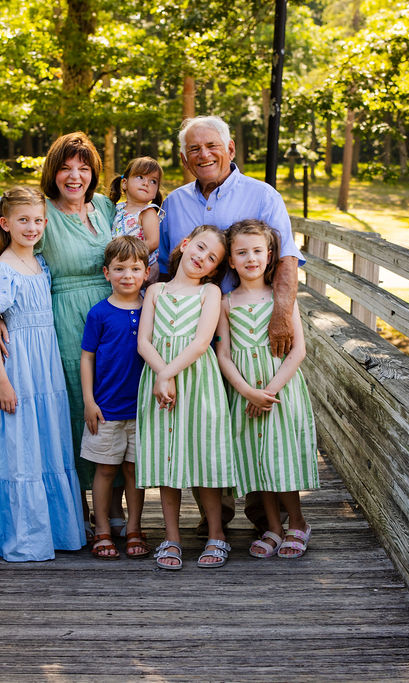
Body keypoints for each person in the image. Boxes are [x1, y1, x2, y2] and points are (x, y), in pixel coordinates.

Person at [159, 114, 306, 532]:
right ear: (184, 157)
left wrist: (281, 316)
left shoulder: (262, 195)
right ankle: (214, 519)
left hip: (251, 326)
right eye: (193, 149)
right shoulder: (175, 203)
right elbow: (165, 265)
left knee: (256, 417)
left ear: (231, 149)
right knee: (205, 420)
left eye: (211, 146)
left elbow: (287, 258)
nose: (203, 154)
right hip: (189, 332)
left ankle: (268, 519)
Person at [0, 186, 87, 562]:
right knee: (21, 446)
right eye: (23, 220)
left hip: (46, 367)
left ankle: (55, 530)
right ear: (5, 224)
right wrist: (2, 380)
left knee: (48, 439)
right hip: (20, 368)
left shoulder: (40, 264)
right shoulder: (1, 270)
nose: (32, 227)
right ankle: (24, 535)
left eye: (38, 220)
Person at [216, 219, 319, 559]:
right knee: (256, 460)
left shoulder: (282, 299)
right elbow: (224, 355)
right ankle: (273, 527)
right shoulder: (226, 302)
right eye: (241, 252)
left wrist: (269, 392)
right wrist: (247, 391)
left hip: (280, 394)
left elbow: (298, 351)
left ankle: (298, 523)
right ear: (231, 260)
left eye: (257, 251)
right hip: (245, 394)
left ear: (270, 254)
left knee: (282, 459)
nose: (250, 259)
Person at [135, 225, 234, 570]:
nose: (201, 258)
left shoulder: (210, 294)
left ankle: (217, 534)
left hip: (197, 382)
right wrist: (161, 374)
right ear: (185, 243)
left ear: (214, 269)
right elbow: (144, 341)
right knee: (166, 457)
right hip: (159, 383)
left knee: (202, 455)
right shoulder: (155, 290)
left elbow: (201, 342)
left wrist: (167, 373)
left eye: (211, 259)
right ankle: (172, 536)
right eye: (200, 248)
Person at [35, 131, 119, 536]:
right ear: (53, 172)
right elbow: (14, 261)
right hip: (66, 319)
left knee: (117, 404)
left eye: (83, 168)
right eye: (66, 168)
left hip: (115, 314)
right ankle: (79, 509)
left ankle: (116, 507)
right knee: (76, 409)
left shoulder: (104, 206)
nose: (74, 176)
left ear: (93, 173)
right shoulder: (42, 214)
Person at [80, 236, 151, 560]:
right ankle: (104, 528)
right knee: (106, 470)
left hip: (143, 409)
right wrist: (89, 402)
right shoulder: (100, 313)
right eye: (120, 268)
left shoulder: (152, 308)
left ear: (146, 273)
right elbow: (87, 357)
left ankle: (134, 527)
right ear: (106, 273)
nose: (128, 275)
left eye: (135, 268)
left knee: (135, 471)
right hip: (106, 409)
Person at [109, 156, 163, 282]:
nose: (146, 183)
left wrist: (129, 256)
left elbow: (153, 242)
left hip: (140, 269)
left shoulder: (148, 212)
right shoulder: (119, 209)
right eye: (140, 177)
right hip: (120, 267)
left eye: (153, 181)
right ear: (124, 183)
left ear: (156, 192)